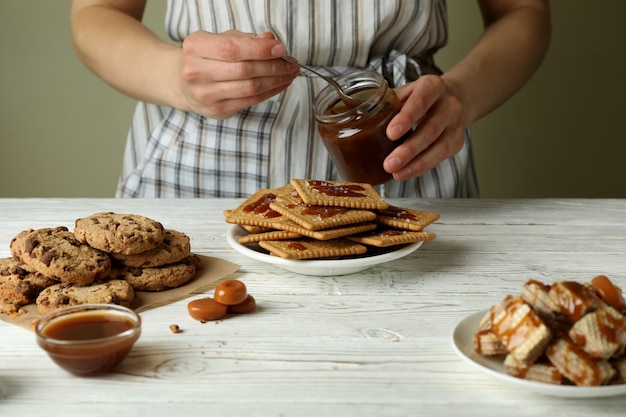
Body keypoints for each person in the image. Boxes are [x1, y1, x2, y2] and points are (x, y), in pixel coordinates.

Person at [70, 0, 551, 198]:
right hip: (199, 166)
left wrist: (460, 96)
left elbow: (522, 11)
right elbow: (96, 13)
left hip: (405, 146)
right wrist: (176, 76)